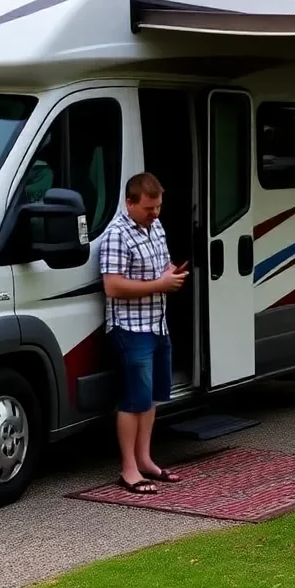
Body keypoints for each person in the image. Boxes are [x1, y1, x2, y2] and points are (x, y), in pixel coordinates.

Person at [99, 172, 187, 495]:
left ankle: (146, 459)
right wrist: (160, 285)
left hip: (157, 324)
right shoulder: (116, 235)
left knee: (151, 398)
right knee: (132, 400)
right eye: (149, 208)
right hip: (130, 329)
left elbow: (162, 264)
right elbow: (112, 285)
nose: (155, 214)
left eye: (159, 207)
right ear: (130, 202)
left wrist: (171, 273)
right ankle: (128, 469)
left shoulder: (156, 227)